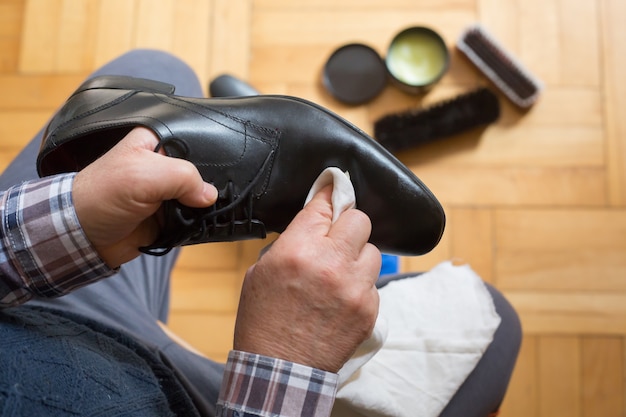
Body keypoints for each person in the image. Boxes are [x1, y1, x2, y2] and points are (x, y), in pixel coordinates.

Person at [0, 50, 520, 417]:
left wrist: (68, 222)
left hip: (27, 323)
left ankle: (169, 213)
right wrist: (283, 362)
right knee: (496, 322)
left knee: (157, 70)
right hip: (153, 400)